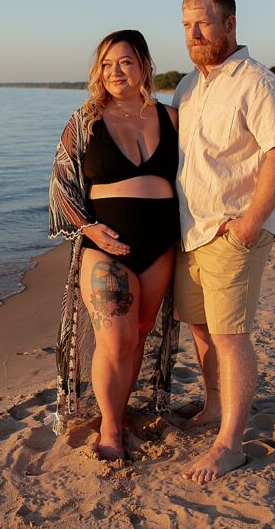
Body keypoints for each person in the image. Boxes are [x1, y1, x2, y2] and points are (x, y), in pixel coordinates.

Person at [172, 0, 275, 483]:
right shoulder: (187, 86)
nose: (194, 34)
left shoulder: (260, 84)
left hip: (232, 231)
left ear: (229, 24)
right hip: (191, 233)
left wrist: (249, 225)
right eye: (186, 26)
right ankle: (212, 406)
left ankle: (230, 445)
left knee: (230, 336)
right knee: (200, 327)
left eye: (203, 23)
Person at [48, 29, 181, 461]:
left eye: (124, 62)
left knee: (139, 335)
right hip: (107, 244)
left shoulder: (173, 118)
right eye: (106, 64)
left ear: (144, 65)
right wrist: (89, 228)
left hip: (160, 244)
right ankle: (108, 428)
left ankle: (119, 414)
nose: (115, 72)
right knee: (116, 338)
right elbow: (60, 185)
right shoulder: (85, 120)